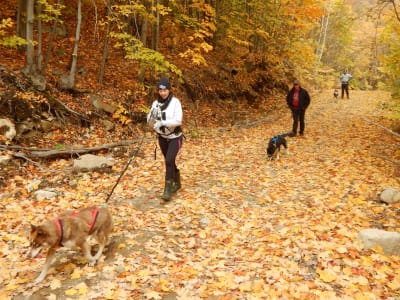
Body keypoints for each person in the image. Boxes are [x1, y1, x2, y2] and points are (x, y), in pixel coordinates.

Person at [147, 77, 183, 201]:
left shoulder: (175, 102)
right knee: (170, 161)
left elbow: (178, 120)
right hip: (162, 137)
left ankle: (167, 189)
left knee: (168, 160)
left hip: (175, 137)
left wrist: (163, 122)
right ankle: (177, 182)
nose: (162, 92)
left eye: (165, 90)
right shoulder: (155, 103)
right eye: (160, 90)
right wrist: (152, 119)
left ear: (169, 90)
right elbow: (150, 122)